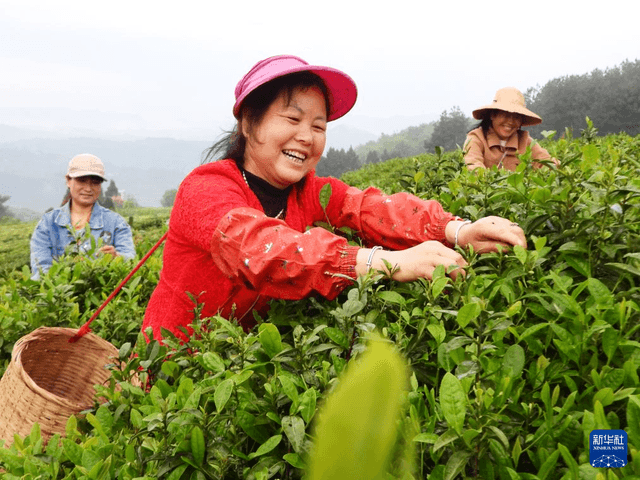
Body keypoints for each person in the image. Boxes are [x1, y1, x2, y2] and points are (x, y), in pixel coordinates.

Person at [142, 55, 527, 342]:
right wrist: (386, 262)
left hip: (240, 359)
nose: (307, 137)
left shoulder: (308, 190)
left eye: (318, 125)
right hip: (171, 376)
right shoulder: (206, 188)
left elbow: (372, 208)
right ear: (248, 123)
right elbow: (259, 248)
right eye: (292, 120)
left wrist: (457, 230)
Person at [30, 154, 136, 279]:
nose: (88, 188)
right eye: (81, 181)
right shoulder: (47, 224)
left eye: (95, 182)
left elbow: (130, 260)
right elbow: (41, 271)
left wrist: (116, 257)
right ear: (68, 180)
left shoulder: (116, 223)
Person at [463, 87, 558, 171]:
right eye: (505, 115)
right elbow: (473, 166)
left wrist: (554, 165)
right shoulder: (476, 138)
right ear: (492, 115)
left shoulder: (525, 141)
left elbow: (545, 162)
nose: (510, 121)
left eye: (516, 117)